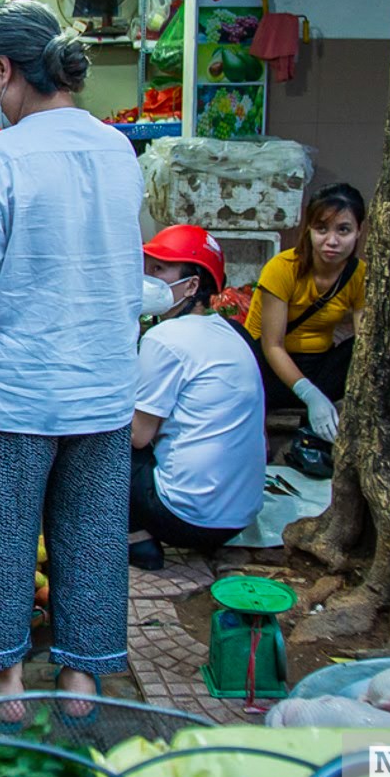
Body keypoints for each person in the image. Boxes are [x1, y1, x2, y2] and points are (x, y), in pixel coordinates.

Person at [0, 0, 144, 717]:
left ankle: (1, 680)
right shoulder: (119, 150)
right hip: (104, 390)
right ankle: (83, 681)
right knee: (93, 534)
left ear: (6, 69)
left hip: (16, 393)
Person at [129, 226, 266, 571]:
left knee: (97, 441)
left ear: (191, 286)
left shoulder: (165, 337)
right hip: (239, 517)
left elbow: (138, 435)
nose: (149, 277)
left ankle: (137, 541)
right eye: (149, 266)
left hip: (186, 517)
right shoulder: (231, 333)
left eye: (161, 270)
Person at [244, 183, 369, 441]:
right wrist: (311, 396)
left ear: (358, 232)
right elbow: (273, 345)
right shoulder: (282, 268)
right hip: (269, 370)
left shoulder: (358, 274)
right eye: (322, 229)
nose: (331, 241)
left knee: (365, 347)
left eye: (343, 230)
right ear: (309, 230)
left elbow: (364, 339)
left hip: (318, 368)